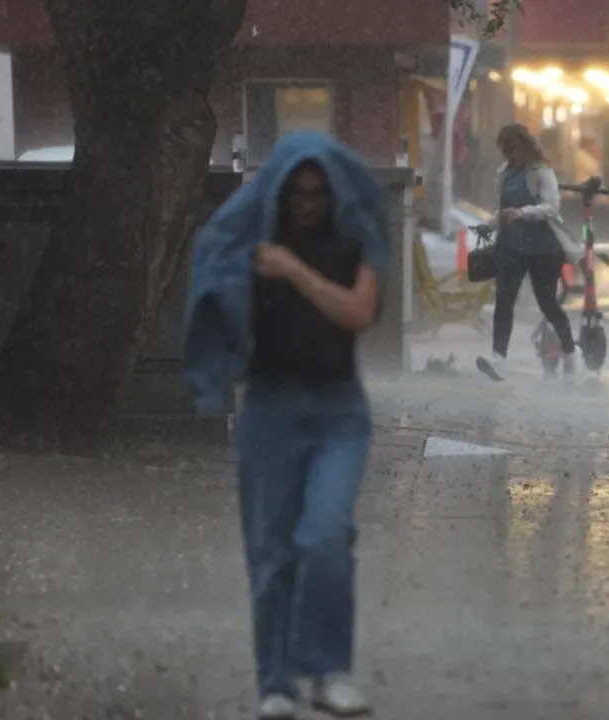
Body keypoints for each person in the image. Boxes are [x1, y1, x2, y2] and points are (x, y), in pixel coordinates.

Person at [182, 132, 389, 719]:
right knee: (271, 552)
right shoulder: (253, 240)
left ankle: (327, 670)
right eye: (296, 192)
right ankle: (276, 682)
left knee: (326, 536)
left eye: (317, 193)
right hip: (269, 409)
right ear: (279, 191)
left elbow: (360, 312)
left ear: (333, 191)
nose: (306, 204)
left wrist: (295, 272)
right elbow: (212, 271)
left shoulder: (355, 237)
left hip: (338, 412)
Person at [477, 123, 582, 381]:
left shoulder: (541, 171)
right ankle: (498, 357)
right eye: (505, 151)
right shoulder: (504, 173)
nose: (509, 155)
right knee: (504, 301)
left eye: (512, 149)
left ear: (523, 146)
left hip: (542, 248)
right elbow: (504, 211)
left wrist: (523, 213)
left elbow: (551, 207)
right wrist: (489, 225)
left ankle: (571, 351)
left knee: (547, 302)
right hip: (511, 247)